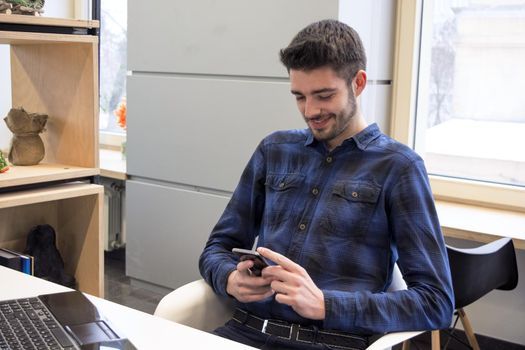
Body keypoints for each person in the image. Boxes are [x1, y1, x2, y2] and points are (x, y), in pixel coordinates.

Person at [199, 19, 454, 350]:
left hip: (330, 343)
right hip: (244, 333)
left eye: (324, 95)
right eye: (299, 97)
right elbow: (216, 249)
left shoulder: (399, 168)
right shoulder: (274, 150)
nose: (310, 111)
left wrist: (326, 305)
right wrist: (231, 278)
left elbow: (436, 303)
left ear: (358, 83)